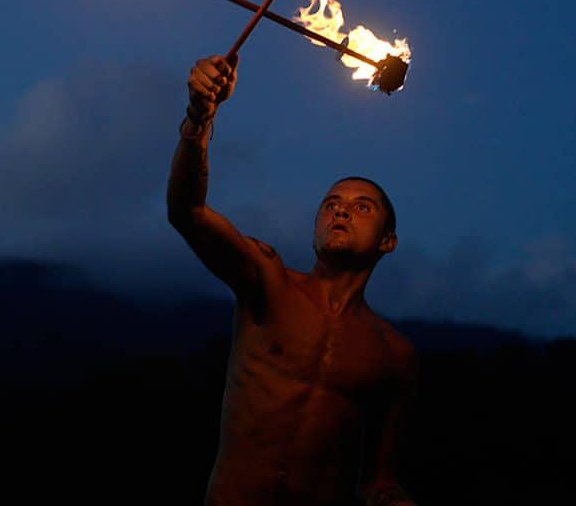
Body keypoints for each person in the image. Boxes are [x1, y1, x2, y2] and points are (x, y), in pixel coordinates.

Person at [167, 56, 418, 506]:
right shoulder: (268, 281)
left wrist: (392, 498)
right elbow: (187, 211)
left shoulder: (394, 354)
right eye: (331, 204)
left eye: (362, 207)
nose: (341, 210)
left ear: (388, 242)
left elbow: (378, 480)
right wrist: (199, 118)